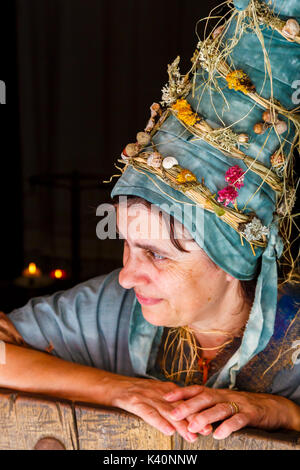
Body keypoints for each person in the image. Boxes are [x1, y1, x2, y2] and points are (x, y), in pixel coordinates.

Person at [0, 0, 300, 443]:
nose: (125, 277)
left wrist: (286, 413)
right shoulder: (115, 312)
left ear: (232, 259)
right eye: (127, 244)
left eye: (156, 254)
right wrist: (123, 389)